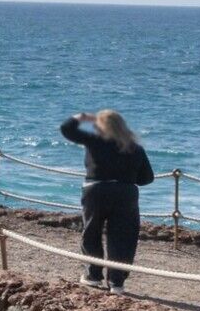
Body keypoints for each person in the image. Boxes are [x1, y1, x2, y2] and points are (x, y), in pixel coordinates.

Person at [62, 109, 155, 291]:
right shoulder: (135, 147)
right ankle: (117, 282)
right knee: (123, 237)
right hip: (125, 193)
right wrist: (125, 178)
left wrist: (82, 117)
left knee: (92, 232)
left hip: (96, 190)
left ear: (100, 126)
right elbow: (147, 178)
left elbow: (67, 129)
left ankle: (93, 275)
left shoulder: (95, 141)